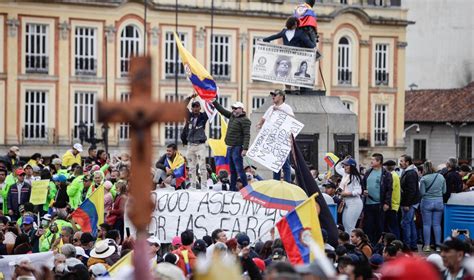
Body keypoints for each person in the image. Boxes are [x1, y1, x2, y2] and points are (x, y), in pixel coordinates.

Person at [212, 100, 251, 191]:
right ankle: (232, 189)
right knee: (232, 170)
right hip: (230, 147)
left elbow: (247, 135)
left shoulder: (245, 120)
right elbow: (222, 110)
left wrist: (245, 148)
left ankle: (246, 189)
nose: (233, 110)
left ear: (241, 109)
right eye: (233, 108)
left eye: (235, 108)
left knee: (239, 169)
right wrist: (214, 102)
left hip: (237, 147)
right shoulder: (232, 116)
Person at [256, 89, 294, 183]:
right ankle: (275, 182)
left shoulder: (286, 107)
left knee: (285, 163)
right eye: (272, 95)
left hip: (283, 139)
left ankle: (287, 182)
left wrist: (279, 110)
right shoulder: (271, 108)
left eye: (275, 95)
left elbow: (292, 118)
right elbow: (264, 118)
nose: (273, 97)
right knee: (274, 163)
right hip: (273, 139)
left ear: (281, 96)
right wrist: (259, 124)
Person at [362, 153, 392, 245]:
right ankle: (369, 244)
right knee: (368, 226)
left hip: (380, 204)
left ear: (379, 162)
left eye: (373, 160)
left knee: (379, 226)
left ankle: (379, 245)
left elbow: (389, 189)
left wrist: (387, 203)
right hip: (368, 203)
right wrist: (363, 191)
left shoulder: (386, 174)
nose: (371, 161)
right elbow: (363, 185)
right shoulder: (368, 172)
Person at [183, 94, 209, 190]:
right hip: (190, 146)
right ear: (191, 108)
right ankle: (192, 185)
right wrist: (190, 97)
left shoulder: (203, 117)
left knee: (202, 166)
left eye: (197, 107)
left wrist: (206, 98)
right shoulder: (189, 116)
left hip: (200, 146)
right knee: (191, 167)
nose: (195, 109)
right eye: (193, 107)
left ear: (200, 108)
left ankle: (204, 185)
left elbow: (211, 108)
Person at [420, 161, 446, 252]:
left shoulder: (424, 178)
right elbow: (444, 191)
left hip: (427, 202)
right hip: (439, 202)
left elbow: (422, 193)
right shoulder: (441, 177)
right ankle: (438, 246)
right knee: (437, 224)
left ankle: (427, 246)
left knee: (427, 225)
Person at [335, 157, 363, 236]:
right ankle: (348, 244)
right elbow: (337, 167)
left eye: (347, 165)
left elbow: (358, 191)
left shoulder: (355, 177)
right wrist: (343, 160)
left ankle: (353, 244)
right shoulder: (345, 174)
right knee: (346, 225)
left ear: (352, 167)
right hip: (346, 202)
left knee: (350, 226)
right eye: (345, 165)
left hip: (354, 203)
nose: (345, 167)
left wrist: (346, 193)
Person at [399, 154, 420, 251]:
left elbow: (411, 190)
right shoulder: (409, 172)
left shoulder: (410, 173)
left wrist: (407, 203)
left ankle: (407, 245)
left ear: (407, 162)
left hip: (408, 203)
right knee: (410, 223)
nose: (400, 163)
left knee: (406, 223)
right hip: (409, 202)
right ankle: (413, 245)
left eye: (402, 161)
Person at [382, 160, 401, 239]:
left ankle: (395, 243)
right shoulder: (395, 175)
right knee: (393, 226)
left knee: (392, 227)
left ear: (387, 167)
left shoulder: (391, 175)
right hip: (394, 203)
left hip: (391, 204)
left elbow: (389, 189)